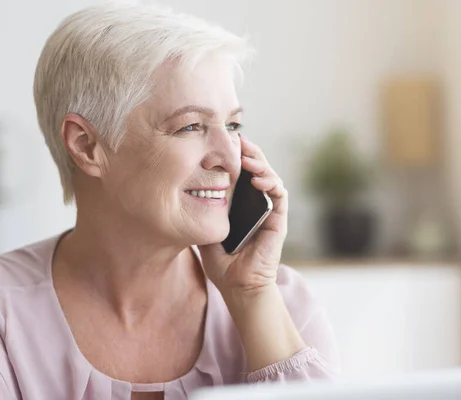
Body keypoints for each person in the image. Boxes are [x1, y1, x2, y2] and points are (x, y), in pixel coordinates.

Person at [0, 3, 339, 399]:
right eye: (190, 126)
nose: (231, 159)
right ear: (86, 145)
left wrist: (251, 297)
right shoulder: (9, 316)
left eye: (232, 125)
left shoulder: (282, 304)